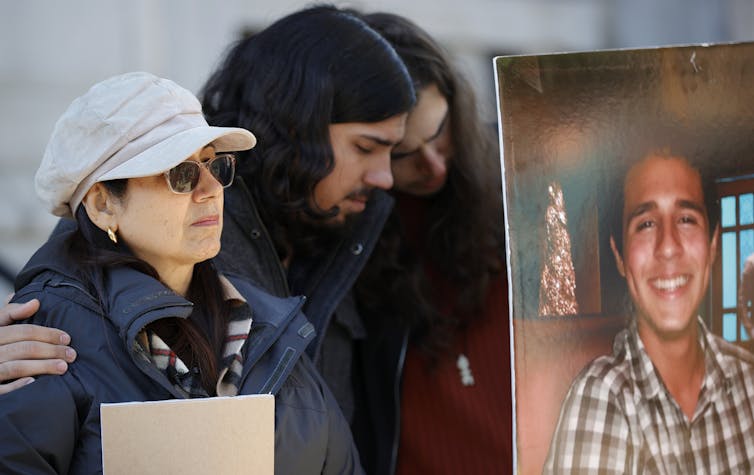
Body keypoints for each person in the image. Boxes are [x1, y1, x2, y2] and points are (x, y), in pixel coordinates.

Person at [0, 4, 416, 469]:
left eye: (216, 164)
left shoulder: (269, 326)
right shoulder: (45, 345)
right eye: (180, 173)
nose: (211, 189)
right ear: (102, 204)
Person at [352, 13, 512, 475]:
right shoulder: (349, 233)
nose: (434, 166)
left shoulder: (517, 179)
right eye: (403, 154)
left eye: (440, 133)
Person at [544, 150, 754, 473]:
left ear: (712, 244)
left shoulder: (748, 381)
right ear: (619, 256)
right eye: (645, 224)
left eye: (686, 219)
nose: (668, 246)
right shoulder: (602, 400)